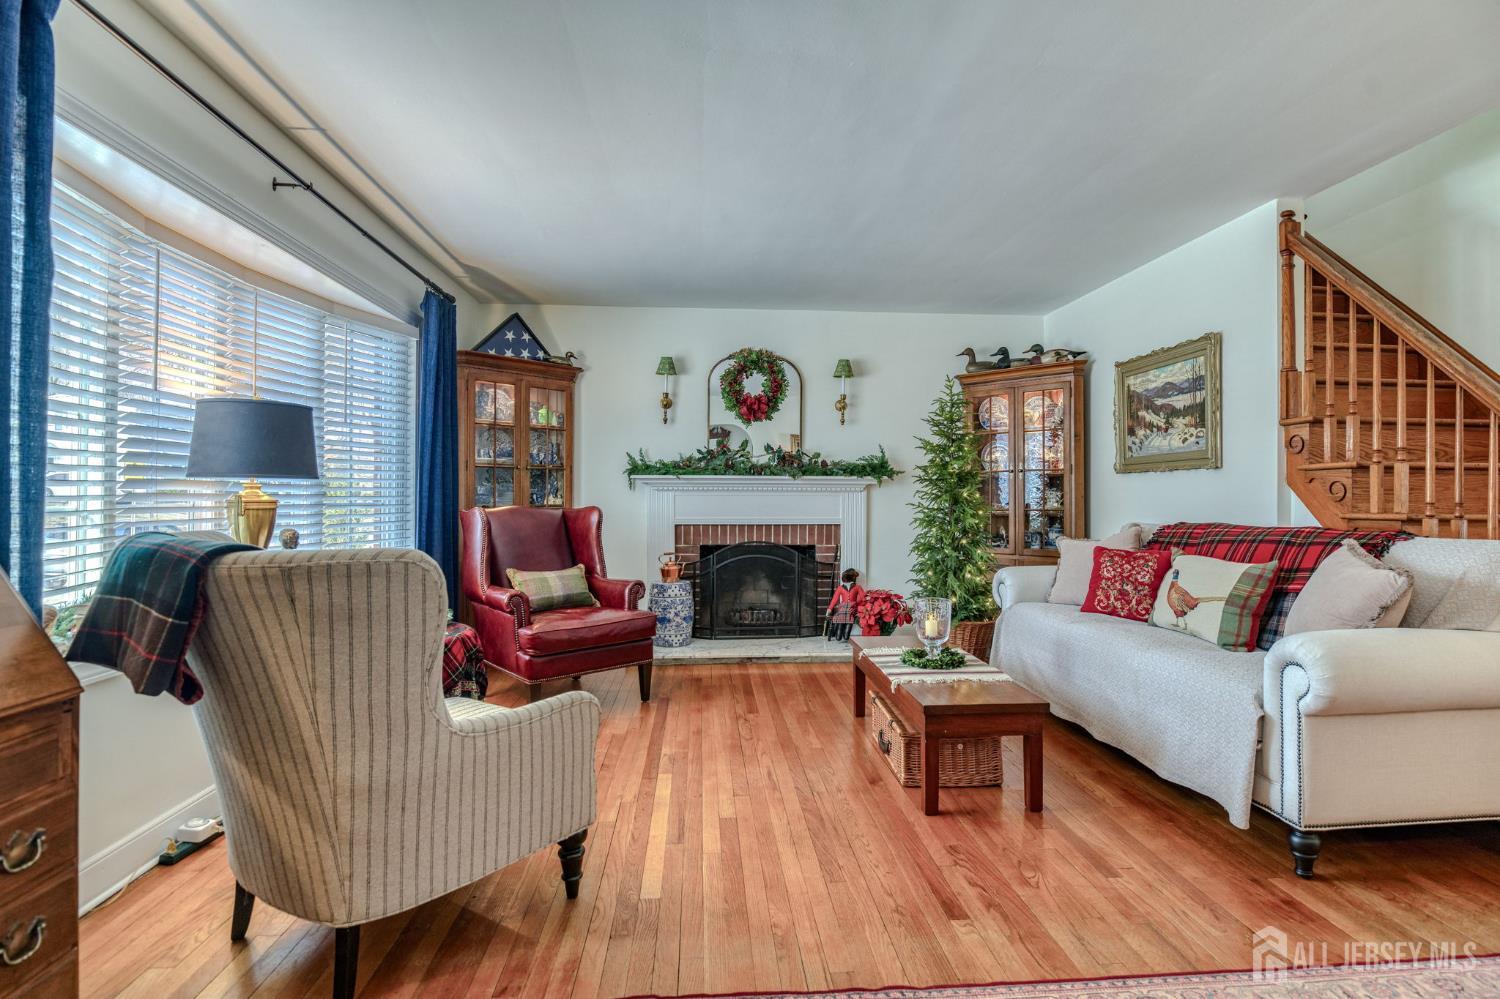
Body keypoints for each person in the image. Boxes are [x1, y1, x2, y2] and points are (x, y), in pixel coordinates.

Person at [824, 568, 863, 642]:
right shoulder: (840, 588)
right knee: (838, 636)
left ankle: (843, 633)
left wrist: (855, 603)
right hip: (842, 609)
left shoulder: (857, 587)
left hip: (852, 609)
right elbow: (834, 599)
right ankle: (837, 631)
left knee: (845, 636)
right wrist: (829, 609)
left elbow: (863, 597)